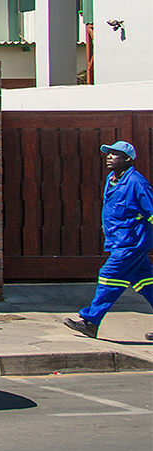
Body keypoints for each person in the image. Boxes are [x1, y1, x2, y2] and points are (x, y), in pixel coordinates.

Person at [64, 141, 153, 340]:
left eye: (115, 154)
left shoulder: (137, 183)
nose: (109, 157)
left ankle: (91, 321)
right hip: (119, 241)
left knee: (109, 276)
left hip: (131, 243)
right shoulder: (112, 179)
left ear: (128, 159)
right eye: (109, 153)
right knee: (147, 283)